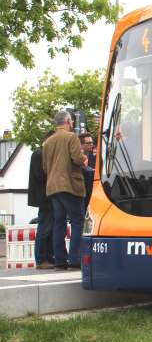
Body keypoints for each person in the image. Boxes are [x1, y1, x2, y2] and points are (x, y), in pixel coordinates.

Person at [42, 111, 87, 269]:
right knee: (77, 221)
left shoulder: (47, 142)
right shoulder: (71, 137)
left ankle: (60, 261)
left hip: (53, 186)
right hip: (69, 185)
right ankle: (75, 259)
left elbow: (45, 167)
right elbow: (77, 158)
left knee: (59, 223)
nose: (73, 124)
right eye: (72, 121)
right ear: (68, 121)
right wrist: (84, 160)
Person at [27, 130, 56, 269]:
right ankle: (41, 259)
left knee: (48, 228)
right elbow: (41, 175)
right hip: (45, 197)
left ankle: (47, 257)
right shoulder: (40, 154)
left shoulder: (40, 153)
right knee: (44, 228)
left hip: (46, 196)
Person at [78, 133, 95, 206]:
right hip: (79, 193)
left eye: (92, 142)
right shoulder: (75, 158)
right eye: (88, 143)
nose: (91, 144)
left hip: (92, 194)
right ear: (81, 145)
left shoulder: (95, 158)